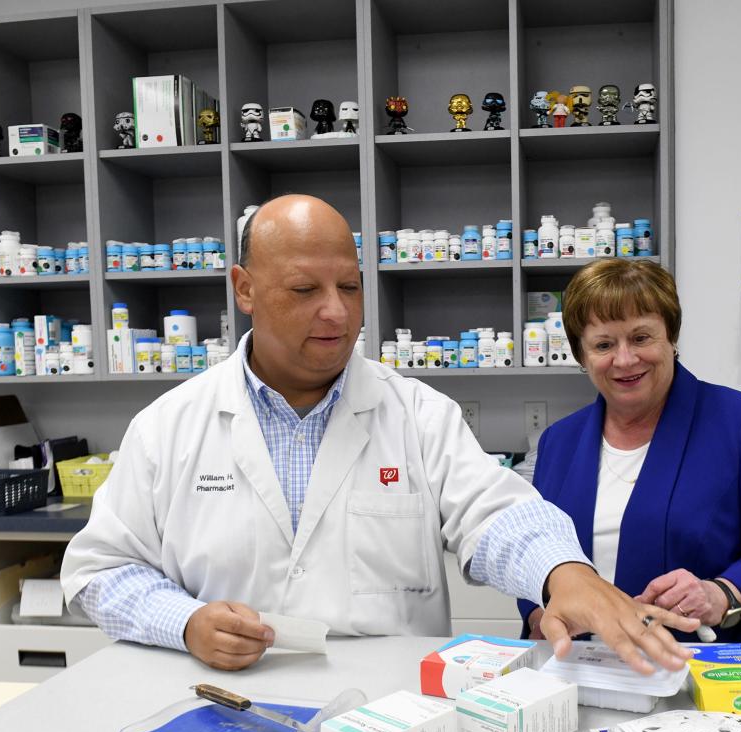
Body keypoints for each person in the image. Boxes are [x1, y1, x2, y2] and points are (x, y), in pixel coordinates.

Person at [61, 196, 697, 672]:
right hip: (223, 700)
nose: (337, 311)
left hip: (387, 713)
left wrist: (564, 573)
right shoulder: (169, 426)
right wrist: (187, 622)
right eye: (306, 289)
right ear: (246, 289)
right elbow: (98, 572)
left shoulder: (418, 414)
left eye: (350, 286)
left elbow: (497, 515)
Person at [519, 259, 741, 643]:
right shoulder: (559, 442)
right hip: (585, 669)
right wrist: (539, 612)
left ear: (671, 337)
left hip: (707, 670)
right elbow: (534, 549)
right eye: (603, 344)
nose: (625, 359)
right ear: (582, 356)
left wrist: (723, 594)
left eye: (641, 338)